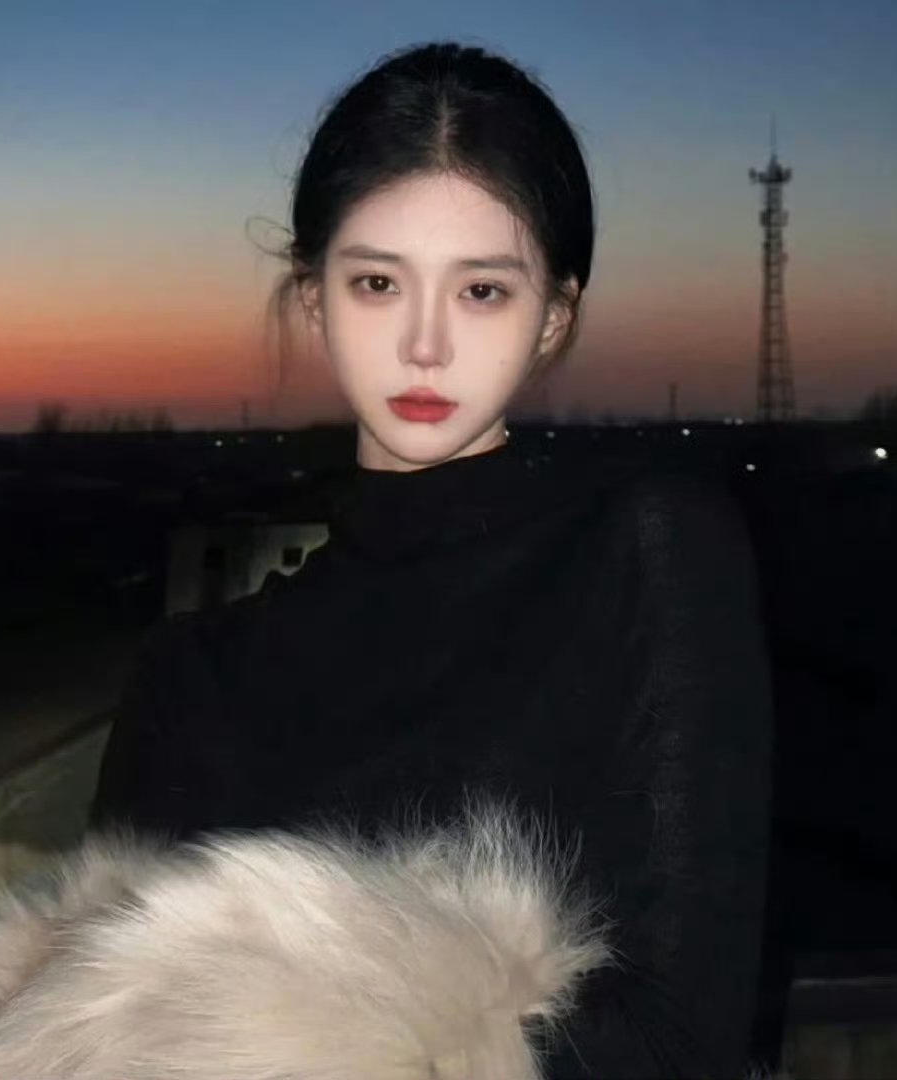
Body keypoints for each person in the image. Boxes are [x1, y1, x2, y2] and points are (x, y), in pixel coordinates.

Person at [89, 41, 773, 1079]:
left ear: (553, 318)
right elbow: (108, 1028)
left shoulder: (649, 552)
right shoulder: (192, 676)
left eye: (482, 291)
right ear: (314, 298)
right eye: (377, 282)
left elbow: (682, 1038)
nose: (424, 345)